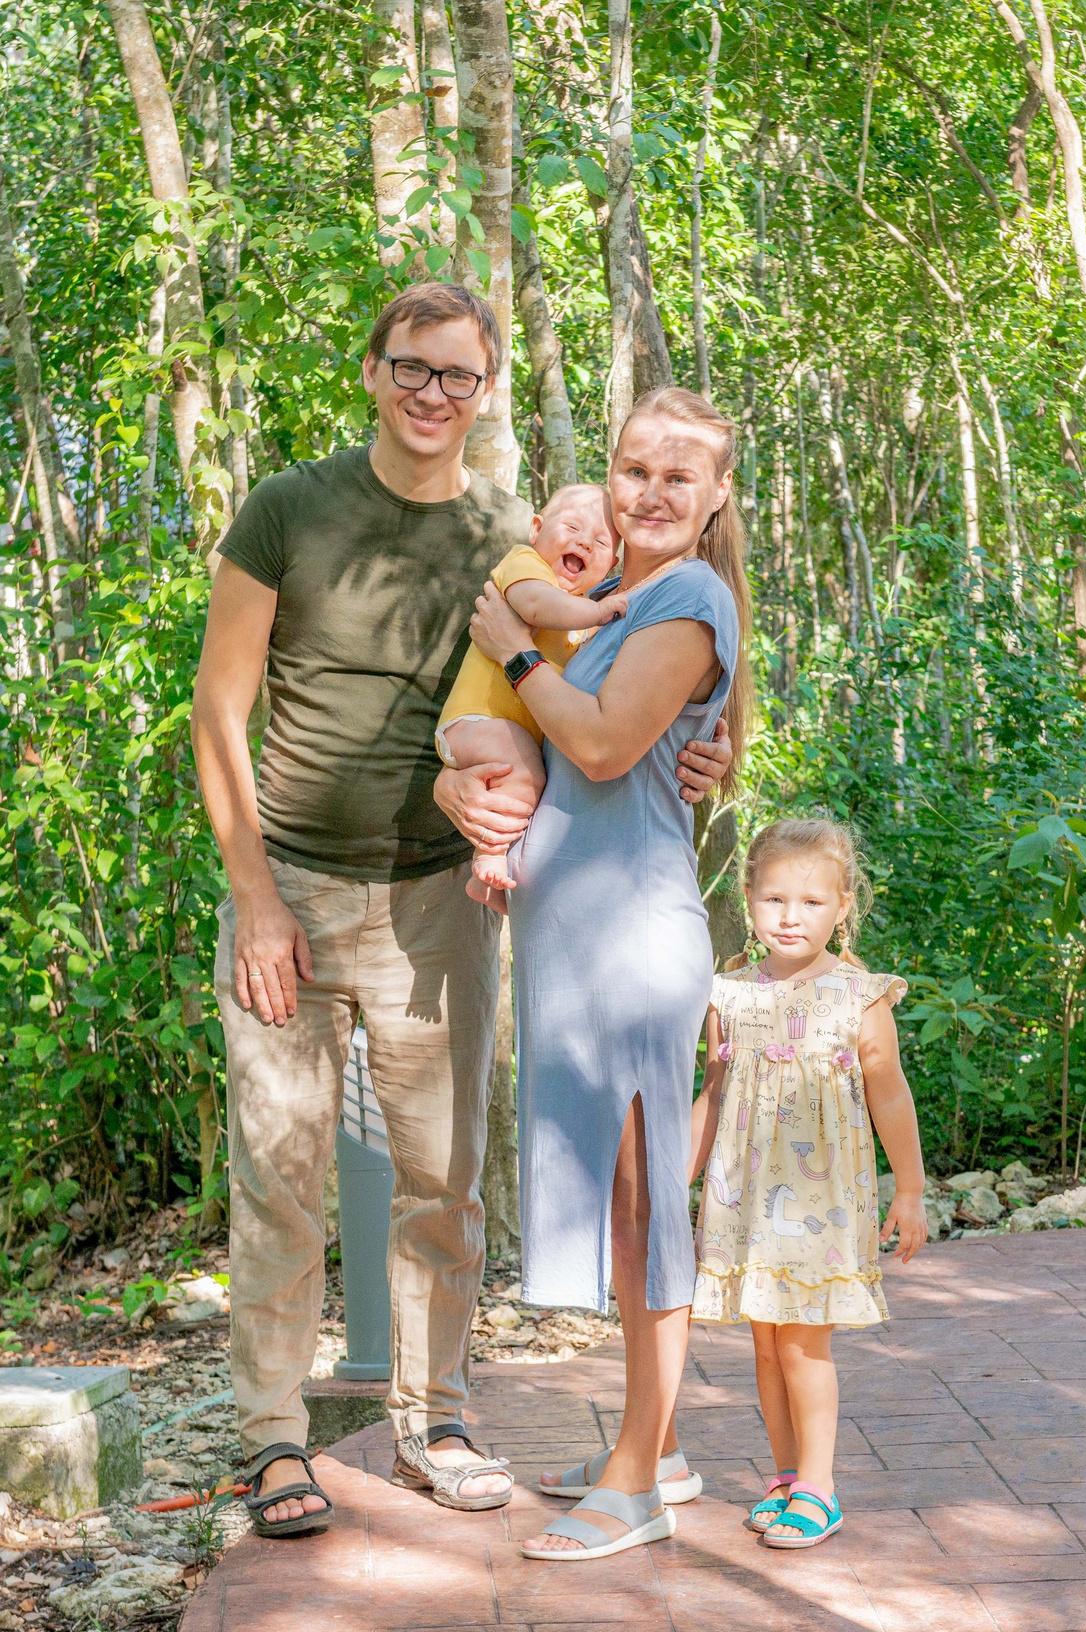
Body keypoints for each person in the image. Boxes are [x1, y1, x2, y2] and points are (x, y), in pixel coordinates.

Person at [190, 283, 730, 1537]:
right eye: (412, 369)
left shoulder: (513, 529)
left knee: (443, 1183)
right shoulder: (288, 510)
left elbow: (614, 683)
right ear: (371, 372)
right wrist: (254, 894)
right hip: (297, 893)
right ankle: (274, 1437)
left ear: (484, 393)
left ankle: (439, 1415)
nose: (434, 393)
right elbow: (220, 711)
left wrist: (704, 757)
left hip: (444, 899)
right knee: (278, 1177)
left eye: (459, 377)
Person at [444, 385, 748, 1562]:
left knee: (644, 1208)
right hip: (577, 944)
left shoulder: (687, 591)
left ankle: (633, 1485)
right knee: (626, 1207)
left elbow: (607, 741)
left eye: (680, 475)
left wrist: (512, 647)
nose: (653, 491)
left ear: (716, 496)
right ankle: (655, 1443)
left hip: (630, 946)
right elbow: (551, 749)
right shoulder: (619, 605)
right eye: (634, 469)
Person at [689, 817, 927, 1549]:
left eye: (812, 902)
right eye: (775, 900)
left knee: (803, 1348)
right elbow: (716, 1090)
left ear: (843, 905)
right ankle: (787, 1477)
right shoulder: (726, 995)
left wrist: (910, 1189)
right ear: (749, 898)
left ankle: (821, 1488)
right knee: (764, 1347)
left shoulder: (859, 996)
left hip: (821, 1204)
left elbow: (889, 1094)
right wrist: (678, 1179)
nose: (791, 917)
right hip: (747, 1204)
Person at [431, 483, 625, 905]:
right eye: (572, 526)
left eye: (600, 542)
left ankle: (485, 878)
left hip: (506, 734)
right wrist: (597, 611)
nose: (582, 542)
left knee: (530, 782)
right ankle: (490, 854)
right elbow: (536, 606)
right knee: (527, 774)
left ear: (612, 564)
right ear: (536, 529)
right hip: (475, 723)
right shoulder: (526, 566)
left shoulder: (581, 614)